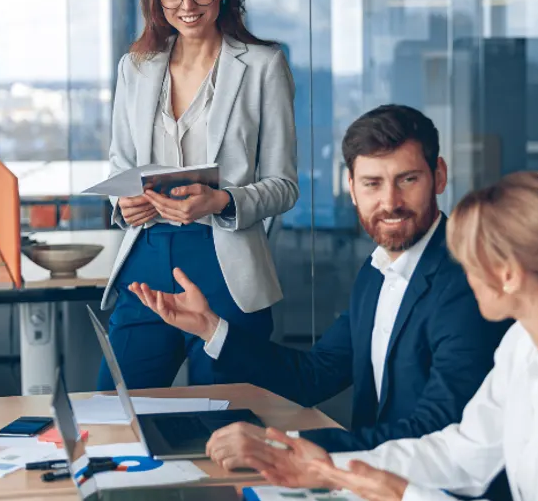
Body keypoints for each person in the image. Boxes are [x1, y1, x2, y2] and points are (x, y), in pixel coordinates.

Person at [245, 171, 538, 501]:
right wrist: (331, 469)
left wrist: (403, 495)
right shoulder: (524, 343)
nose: (461, 273)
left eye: (467, 260)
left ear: (507, 274)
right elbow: (461, 452)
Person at [129, 106, 510, 489]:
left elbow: (437, 430)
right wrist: (210, 328)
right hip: (370, 482)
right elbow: (316, 376)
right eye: (372, 184)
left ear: (439, 176)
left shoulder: (467, 283)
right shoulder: (377, 271)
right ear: (351, 187)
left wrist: (284, 447)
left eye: (407, 180)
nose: (390, 201)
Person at [98, 0, 298, 390]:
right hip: (146, 258)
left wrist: (220, 201)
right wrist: (125, 202)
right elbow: (120, 164)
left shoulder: (264, 65)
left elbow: (283, 185)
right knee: (117, 410)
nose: (186, 4)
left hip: (225, 266)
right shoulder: (137, 66)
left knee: (227, 418)